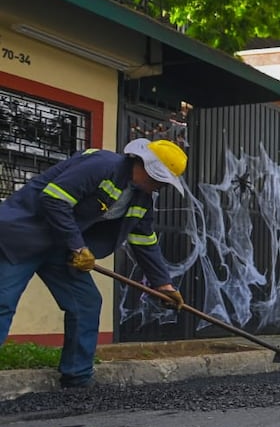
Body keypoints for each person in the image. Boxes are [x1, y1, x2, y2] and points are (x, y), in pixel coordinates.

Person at [0, 138, 187, 388]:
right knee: (3, 301)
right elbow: (54, 200)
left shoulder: (141, 198)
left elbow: (144, 240)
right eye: (159, 179)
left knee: (86, 302)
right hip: (23, 237)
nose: (159, 186)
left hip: (61, 248)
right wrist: (79, 246)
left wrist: (163, 285)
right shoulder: (102, 165)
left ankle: (78, 378)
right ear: (142, 164)